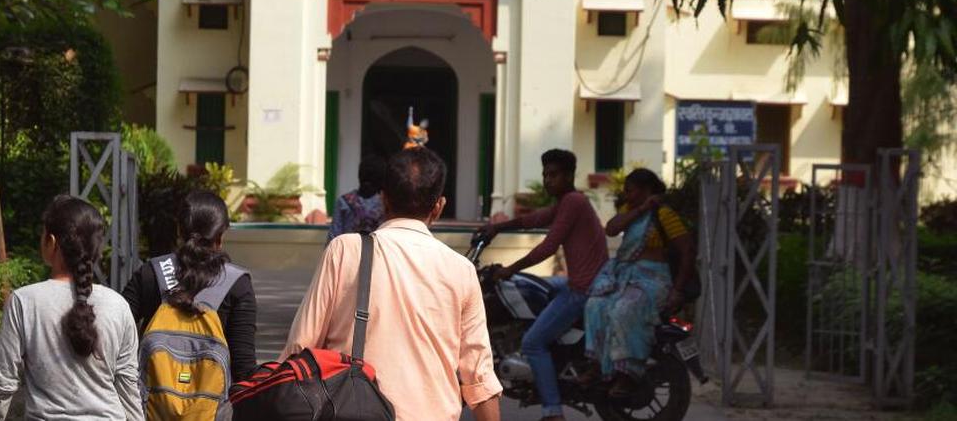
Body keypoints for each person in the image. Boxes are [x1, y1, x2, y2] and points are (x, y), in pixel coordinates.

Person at [282, 148, 502, 421]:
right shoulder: (461, 270)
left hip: (352, 412)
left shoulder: (345, 250)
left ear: (383, 198)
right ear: (439, 206)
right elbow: (480, 378)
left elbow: (300, 347)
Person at [0, 196, 142, 421]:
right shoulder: (118, 306)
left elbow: (2, 385)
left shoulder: (25, 302)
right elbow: (128, 387)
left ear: (51, 242)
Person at [476, 148, 608, 421]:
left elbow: (548, 246)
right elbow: (534, 219)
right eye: (545, 174)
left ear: (569, 175)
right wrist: (498, 227)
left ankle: (553, 411)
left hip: (583, 289)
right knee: (537, 286)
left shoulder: (573, 202)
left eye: (554, 175)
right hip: (581, 282)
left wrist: (509, 269)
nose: (548, 180)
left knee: (533, 342)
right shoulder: (567, 202)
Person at [122, 190, 258, 383]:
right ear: (220, 235)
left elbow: (117, 334)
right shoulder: (238, 284)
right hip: (214, 402)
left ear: (179, 230)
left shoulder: (151, 272)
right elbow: (243, 369)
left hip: (150, 400)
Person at [582, 168, 693, 398]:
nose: (626, 195)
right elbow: (611, 229)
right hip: (624, 277)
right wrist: (641, 209)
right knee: (595, 305)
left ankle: (628, 374)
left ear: (647, 190)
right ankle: (597, 365)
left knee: (624, 310)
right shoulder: (631, 211)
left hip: (653, 280)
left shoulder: (664, 215)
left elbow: (687, 252)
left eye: (630, 191)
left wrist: (678, 290)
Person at [327, 154, 387, 242]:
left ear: (359, 175)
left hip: (348, 249)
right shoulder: (386, 205)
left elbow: (333, 236)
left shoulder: (344, 201)